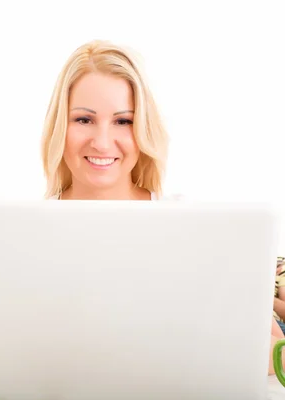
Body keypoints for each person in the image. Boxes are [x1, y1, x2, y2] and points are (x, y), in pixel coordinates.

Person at [39, 39, 282, 374]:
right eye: (84, 119)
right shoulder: (28, 234)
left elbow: (271, 348)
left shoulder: (188, 225)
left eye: (123, 121)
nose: (102, 141)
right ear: (60, 127)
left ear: (142, 129)